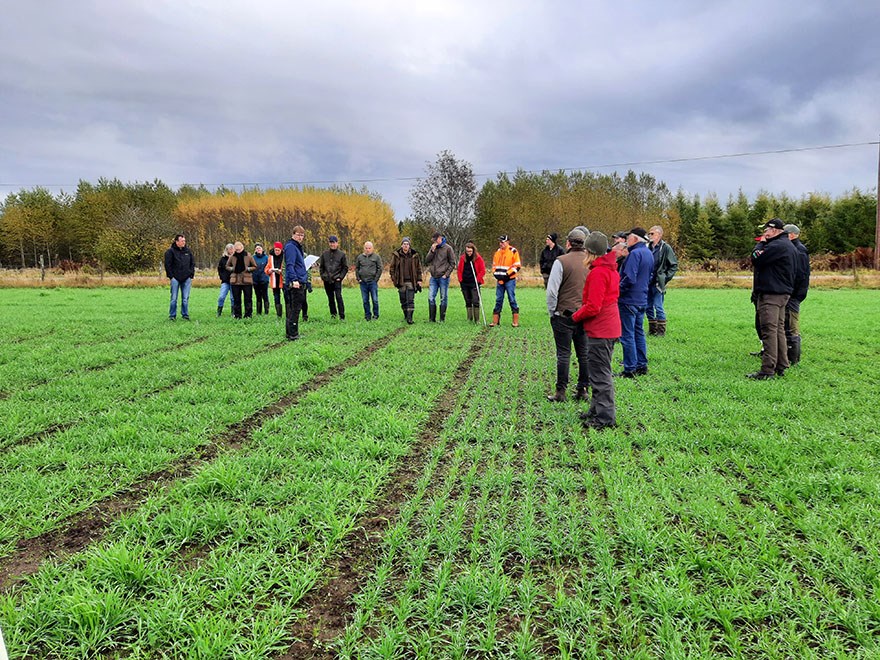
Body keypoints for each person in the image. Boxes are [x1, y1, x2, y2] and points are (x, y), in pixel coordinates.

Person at [572, 232, 621, 430]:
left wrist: (575, 316)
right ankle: (596, 410)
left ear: (590, 251)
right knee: (597, 373)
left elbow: (593, 306)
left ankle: (605, 417)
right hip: (608, 328)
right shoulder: (608, 269)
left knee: (600, 375)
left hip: (601, 330)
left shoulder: (598, 273)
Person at [748, 218, 797, 379]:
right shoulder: (786, 245)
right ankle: (782, 364)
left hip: (772, 294)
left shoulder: (776, 246)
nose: (764, 233)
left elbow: (756, 258)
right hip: (782, 293)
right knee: (778, 329)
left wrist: (760, 244)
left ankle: (767, 370)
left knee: (769, 330)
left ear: (774, 230)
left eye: (766, 230)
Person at [545, 228, 590, 402]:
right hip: (584, 314)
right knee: (583, 354)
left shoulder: (561, 261)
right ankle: (583, 389)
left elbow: (552, 292)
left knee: (564, 354)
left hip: (564, 314)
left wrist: (552, 312)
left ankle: (561, 392)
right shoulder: (590, 262)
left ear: (568, 243)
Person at [618, 228, 654, 377]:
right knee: (639, 333)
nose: (626, 241)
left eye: (628, 238)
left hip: (628, 300)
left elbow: (630, 278)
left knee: (627, 335)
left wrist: (618, 290)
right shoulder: (649, 253)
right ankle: (641, 365)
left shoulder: (634, 254)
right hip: (642, 299)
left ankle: (630, 368)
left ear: (635, 239)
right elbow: (650, 276)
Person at [784, 224, 810, 365]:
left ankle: (793, 357)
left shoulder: (799, 251)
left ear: (793, 235)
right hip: (792, 292)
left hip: (794, 294)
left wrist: (791, 292)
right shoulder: (795, 248)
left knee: (792, 323)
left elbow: (799, 274)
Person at [646, 225, 679, 336]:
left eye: (652, 233)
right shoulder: (647, 247)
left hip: (658, 282)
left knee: (658, 306)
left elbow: (673, 265)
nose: (649, 235)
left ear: (659, 235)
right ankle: (652, 330)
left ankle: (661, 332)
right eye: (649, 233)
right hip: (647, 282)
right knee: (648, 306)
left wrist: (665, 278)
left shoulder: (665, 248)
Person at [490, 234, 522, 327]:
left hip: (510, 280)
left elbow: (517, 266)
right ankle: (495, 321)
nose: (500, 244)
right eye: (500, 242)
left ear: (507, 242)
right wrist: (497, 276)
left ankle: (515, 321)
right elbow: (494, 266)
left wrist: (506, 276)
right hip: (499, 281)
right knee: (498, 299)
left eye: (502, 242)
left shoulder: (513, 251)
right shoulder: (497, 252)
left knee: (511, 299)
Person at [424, 232, 457, 322]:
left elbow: (452, 263)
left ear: (440, 238)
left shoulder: (448, 248)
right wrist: (432, 251)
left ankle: (442, 319)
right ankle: (432, 319)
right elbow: (427, 260)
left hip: (443, 277)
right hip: (433, 277)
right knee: (431, 297)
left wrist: (446, 274)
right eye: (433, 241)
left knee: (443, 298)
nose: (434, 242)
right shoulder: (433, 248)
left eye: (435, 240)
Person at [283, 226, 308, 340]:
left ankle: (291, 332)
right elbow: (290, 265)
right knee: (295, 308)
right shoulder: (291, 247)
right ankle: (293, 333)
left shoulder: (297, 247)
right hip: (295, 282)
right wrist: (294, 280)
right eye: (298, 235)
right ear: (293, 234)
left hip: (300, 278)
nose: (300, 237)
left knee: (295, 307)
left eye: (302, 235)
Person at [390, 237, 422, 324]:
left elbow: (419, 268)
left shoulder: (414, 255)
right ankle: (406, 315)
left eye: (407, 244)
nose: (406, 246)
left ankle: (410, 318)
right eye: (404, 244)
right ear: (401, 245)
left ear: (409, 245)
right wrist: (394, 279)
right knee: (403, 300)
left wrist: (419, 280)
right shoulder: (396, 255)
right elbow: (392, 268)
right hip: (401, 281)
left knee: (410, 300)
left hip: (411, 281)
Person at [164, 233, 195, 321]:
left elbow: (192, 263)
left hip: (186, 278)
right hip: (175, 278)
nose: (184, 242)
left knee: (185, 298)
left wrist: (191, 274)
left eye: (184, 241)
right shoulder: (170, 252)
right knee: (174, 298)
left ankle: (185, 315)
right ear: (177, 242)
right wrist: (171, 276)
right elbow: (167, 265)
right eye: (182, 241)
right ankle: (172, 315)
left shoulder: (188, 251)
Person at [225, 241, 257, 319]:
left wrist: (249, 269)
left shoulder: (248, 256)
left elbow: (255, 266)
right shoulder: (232, 256)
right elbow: (227, 266)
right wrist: (232, 268)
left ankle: (248, 315)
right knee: (236, 299)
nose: (238, 251)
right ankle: (237, 315)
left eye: (239, 249)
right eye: (236, 250)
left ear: (242, 248)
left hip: (247, 281)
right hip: (235, 281)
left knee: (248, 299)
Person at [318, 235, 348, 319]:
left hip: (337, 279)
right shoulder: (325, 254)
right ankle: (333, 315)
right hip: (327, 280)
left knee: (338, 297)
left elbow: (345, 268)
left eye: (334, 242)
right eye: (331, 242)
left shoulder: (342, 255)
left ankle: (342, 316)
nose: (332, 244)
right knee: (330, 299)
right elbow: (322, 267)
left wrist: (340, 277)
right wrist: (323, 276)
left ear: (337, 243)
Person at [456, 241, 485, 323]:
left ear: (473, 250)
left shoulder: (478, 258)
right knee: (468, 301)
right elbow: (459, 270)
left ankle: (477, 320)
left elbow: (482, 270)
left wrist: (478, 279)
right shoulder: (462, 258)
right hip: (465, 282)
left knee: (475, 300)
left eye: (470, 251)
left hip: (474, 282)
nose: (469, 253)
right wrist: (460, 280)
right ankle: (469, 318)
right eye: (467, 251)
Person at [355, 241, 383, 321]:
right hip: (363, 282)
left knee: (375, 300)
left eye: (369, 248)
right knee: (365, 300)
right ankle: (367, 316)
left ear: (372, 248)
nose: (367, 250)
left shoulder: (376, 257)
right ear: (364, 248)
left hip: (372, 282)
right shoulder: (360, 257)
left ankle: (376, 315)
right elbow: (357, 268)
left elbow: (380, 268)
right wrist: (358, 278)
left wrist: (376, 279)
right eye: (366, 248)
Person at [265, 241, 285, 318]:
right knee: (276, 297)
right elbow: (267, 268)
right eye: (276, 250)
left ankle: (288, 312)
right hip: (274, 280)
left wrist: (281, 271)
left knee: (287, 296)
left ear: (281, 250)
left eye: (278, 250)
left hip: (283, 279)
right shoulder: (271, 257)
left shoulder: (284, 256)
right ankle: (279, 314)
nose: (277, 252)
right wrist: (269, 270)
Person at [252, 243, 270, 315]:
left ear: (262, 249)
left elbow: (268, 267)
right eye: (257, 248)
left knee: (265, 295)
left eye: (259, 248)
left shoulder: (266, 258)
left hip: (264, 279)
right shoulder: (253, 258)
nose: (258, 249)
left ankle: (266, 311)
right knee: (258, 296)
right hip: (255, 279)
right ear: (255, 250)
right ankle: (258, 312)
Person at [217, 243, 234, 317]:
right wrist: (222, 277)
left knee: (233, 298)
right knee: (221, 297)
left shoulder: (236, 258)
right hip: (225, 281)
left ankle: (233, 312)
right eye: (229, 249)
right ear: (226, 250)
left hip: (234, 281)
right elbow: (219, 269)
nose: (231, 250)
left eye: (232, 249)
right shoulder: (223, 259)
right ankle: (219, 312)